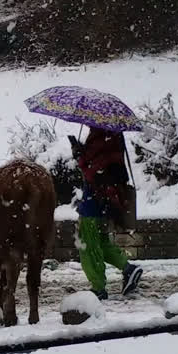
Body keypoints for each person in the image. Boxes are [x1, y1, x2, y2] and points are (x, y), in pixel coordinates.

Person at [70, 127, 142, 300]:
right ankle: (128, 269)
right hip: (106, 199)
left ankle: (98, 288)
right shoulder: (113, 134)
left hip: (95, 199)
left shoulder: (100, 136)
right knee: (100, 242)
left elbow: (92, 172)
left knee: (87, 244)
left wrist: (79, 156)